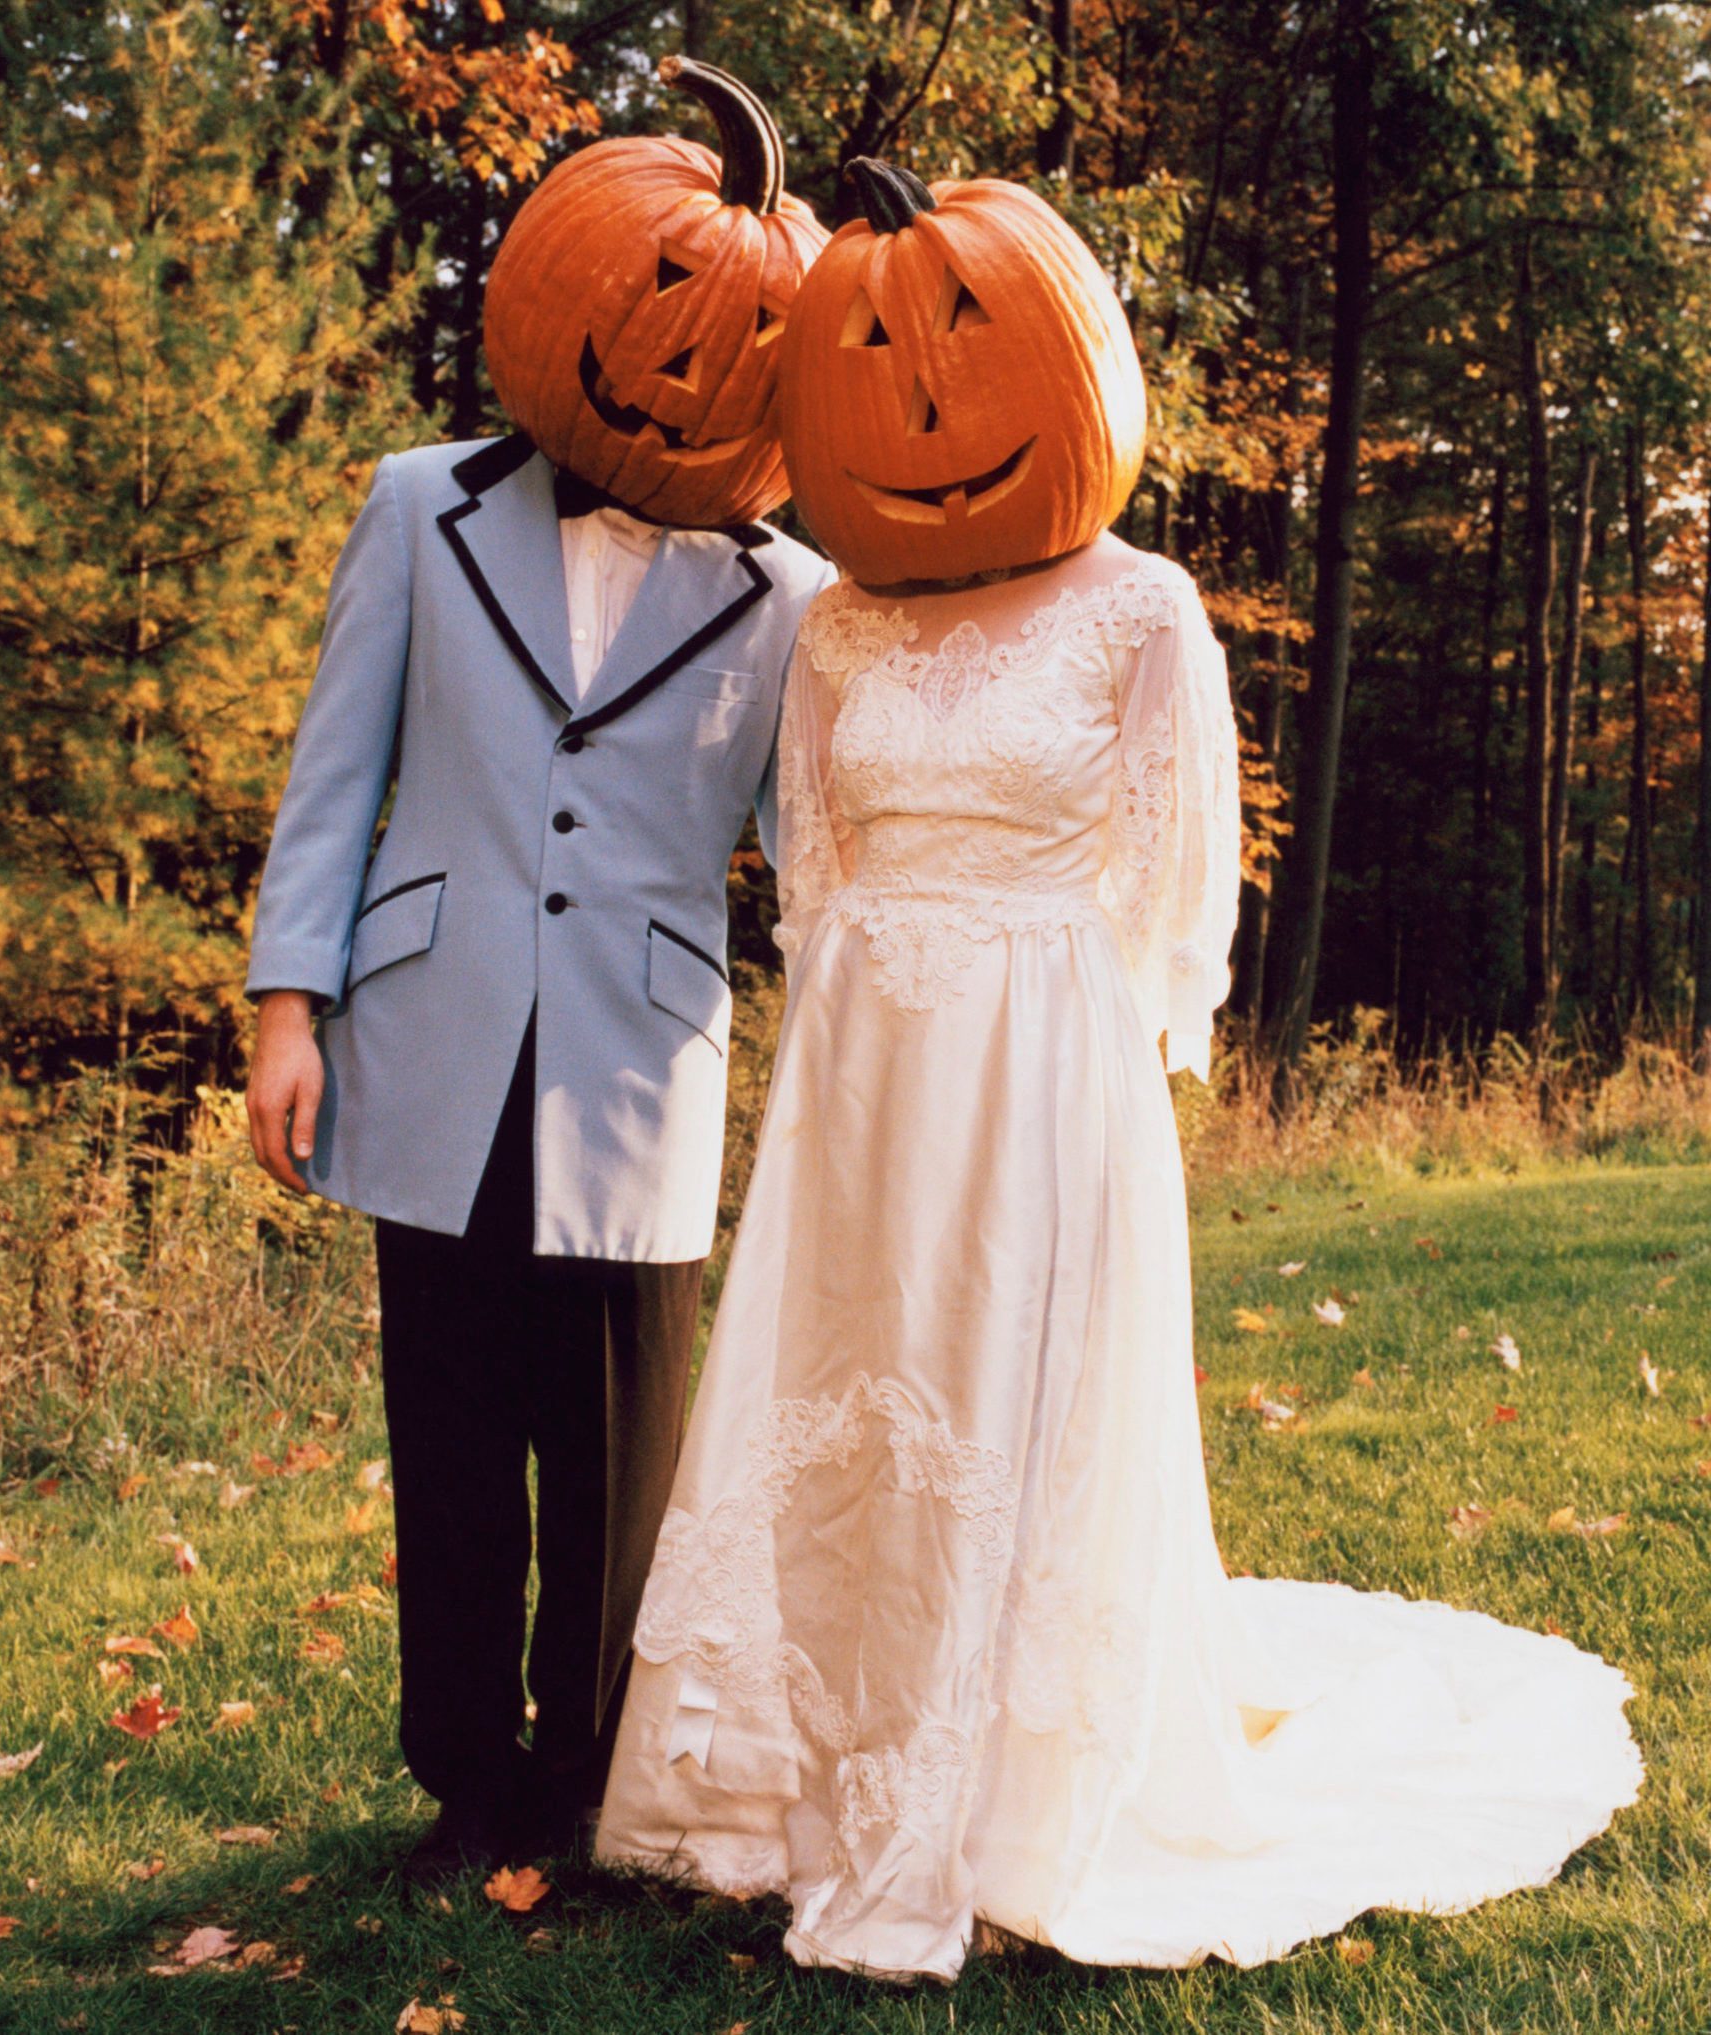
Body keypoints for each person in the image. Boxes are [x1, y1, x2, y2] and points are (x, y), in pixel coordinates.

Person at [592, 160, 1644, 1980]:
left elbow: (1173, 889)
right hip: (866, 1061)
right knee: (853, 1392)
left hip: (1044, 1055)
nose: (925, 411)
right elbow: (813, 863)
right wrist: (853, 1018)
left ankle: (1005, 1796)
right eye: (877, 367)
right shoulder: (838, 621)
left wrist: (1127, 1053)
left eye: (966, 350)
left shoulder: (1141, 606)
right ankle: (810, 1760)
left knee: (1013, 1390)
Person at [243, 62, 830, 1883]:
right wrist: (286, 1009)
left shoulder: (793, 598)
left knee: (615, 1456)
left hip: (641, 1056)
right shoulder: (419, 505)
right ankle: (462, 1776)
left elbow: (812, 852)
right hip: (431, 1036)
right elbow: (336, 774)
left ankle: (585, 1780)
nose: (678, 364)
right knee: (452, 1430)